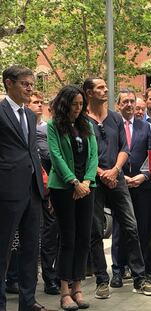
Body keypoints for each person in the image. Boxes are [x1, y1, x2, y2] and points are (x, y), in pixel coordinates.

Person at [84, 78, 151, 298]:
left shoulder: (115, 118)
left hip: (116, 179)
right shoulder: (81, 120)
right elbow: (82, 154)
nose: (105, 90)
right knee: (95, 231)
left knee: (131, 226)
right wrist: (100, 172)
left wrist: (115, 169)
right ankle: (101, 280)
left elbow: (124, 148)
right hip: (94, 180)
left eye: (106, 87)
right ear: (89, 92)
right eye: (100, 88)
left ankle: (139, 278)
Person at [0, 65, 51, 311]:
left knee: (32, 249)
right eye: (25, 84)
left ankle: (27, 302)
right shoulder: (0, 112)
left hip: (33, 191)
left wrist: (42, 186)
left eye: (32, 84)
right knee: (3, 251)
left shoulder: (31, 115)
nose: (30, 88)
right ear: (9, 83)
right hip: (7, 191)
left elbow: (32, 152)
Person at [47, 85, 99, 310]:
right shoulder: (53, 126)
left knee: (83, 238)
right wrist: (74, 182)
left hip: (86, 188)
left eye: (81, 105)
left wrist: (86, 181)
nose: (78, 108)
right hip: (64, 188)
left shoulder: (86, 125)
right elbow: (56, 156)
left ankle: (78, 288)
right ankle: (64, 291)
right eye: (74, 104)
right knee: (68, 239)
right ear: (65, 103)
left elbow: (94, 155)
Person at [110, 88, 151, 290]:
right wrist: (121, 175)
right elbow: (109, 154)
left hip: (142, 186)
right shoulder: (112, 125)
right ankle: (117, 270)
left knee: (142, 228)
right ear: (118, 105)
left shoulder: (145, 127)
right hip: (119, 183)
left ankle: (141, 267)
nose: (129, 105)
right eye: (125, 102)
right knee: (119, 229)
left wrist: (144, 175)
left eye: (132, 101)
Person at [27, 91, 60, 295]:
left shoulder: (49, 129)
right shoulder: (22, 127)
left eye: (41, 102)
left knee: (50, 233)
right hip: (27, 187)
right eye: (34, 102)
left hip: (48, 188)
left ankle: (50, 278)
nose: (39, 105)